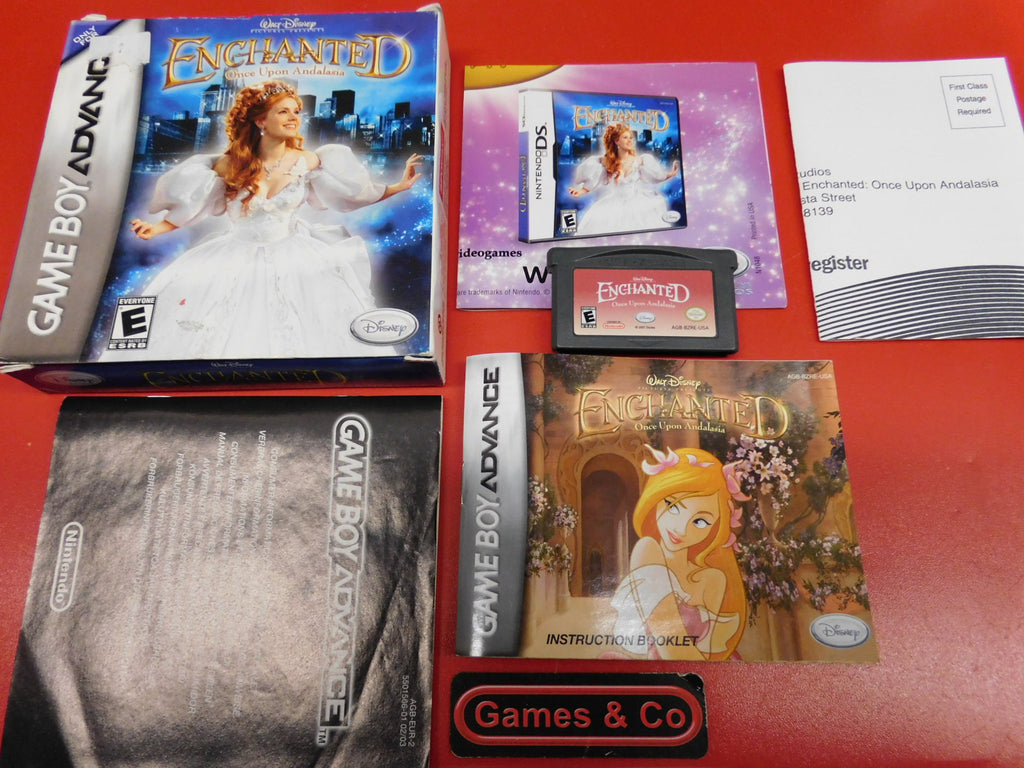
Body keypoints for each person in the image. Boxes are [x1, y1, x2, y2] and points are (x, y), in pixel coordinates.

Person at [108, 80, 422, 360]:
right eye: (283, 111)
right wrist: (156, 228)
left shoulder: (308, 161)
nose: (294, 118)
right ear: (260, 120)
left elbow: (352, 196)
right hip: (234, 253)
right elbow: (195, 206)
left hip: (295, 255)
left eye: (296, 111)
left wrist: (398, 186)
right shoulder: (228, 165)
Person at [610, 445, 747, 660]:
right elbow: (671, 648)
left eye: (700, 521)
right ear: (655, 499)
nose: (681, 529)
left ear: (715, 528)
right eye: (673, 507)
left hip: (701, 671)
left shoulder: (713, 579)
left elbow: (709, 654)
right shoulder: (647, 550)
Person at [568, 122, 680, 236]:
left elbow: (657, 176)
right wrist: (580, 191)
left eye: (631, 137)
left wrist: (672, 173)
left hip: (637, 203)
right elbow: (596, 180)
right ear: (616, 141)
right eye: (625, 137)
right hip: (614, 203)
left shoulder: (639, 160)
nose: (630, 140)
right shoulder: (606, 161)